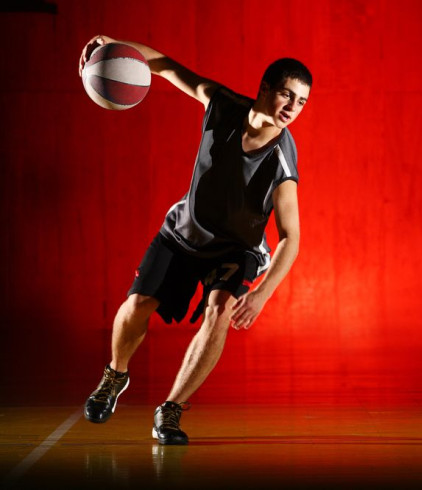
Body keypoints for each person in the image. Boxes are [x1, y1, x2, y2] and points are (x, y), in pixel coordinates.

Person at [78, 35, 311, 445]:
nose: (292, 108)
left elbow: (291, 237)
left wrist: (261, 294)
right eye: (286, 96)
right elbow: (167, 65)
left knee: (219, 310)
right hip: (183, 232)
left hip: (235, 249)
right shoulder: (221, 105)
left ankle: (170, 409)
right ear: (264, 90)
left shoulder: (281, 158)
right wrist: (116, 48)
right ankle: (115, 375)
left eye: (301, 102)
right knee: (135, 306)